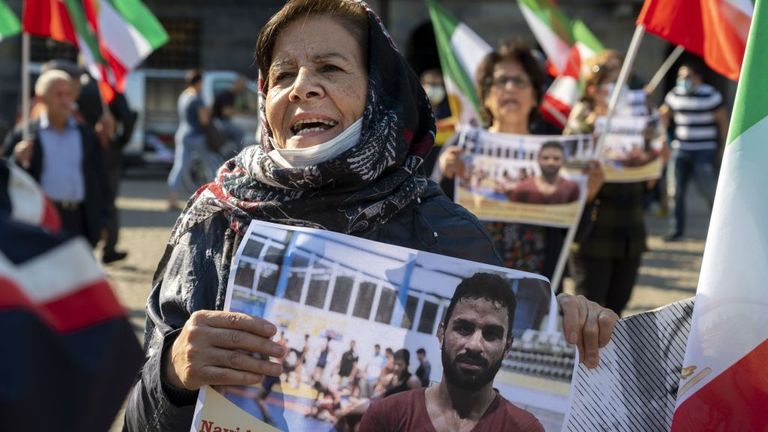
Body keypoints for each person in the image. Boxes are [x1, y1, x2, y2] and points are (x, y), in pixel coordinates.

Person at [123, 2, 618, 430]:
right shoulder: (215, 221)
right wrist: (172, 375)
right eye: (282, 75)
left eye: (330, 68)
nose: (301, 88)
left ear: (379, 92)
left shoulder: (447, 231)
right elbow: (141, 421)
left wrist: (567, 332)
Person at [438, 40, 603, 282]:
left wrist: (587, 196)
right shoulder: (462, 146)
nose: (510, 88)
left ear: (535, 96)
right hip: (469, 283)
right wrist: (445, 176)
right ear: (486, 96)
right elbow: (436, 221)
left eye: (519, 81)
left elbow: (573, 236)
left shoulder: (557, 153)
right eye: (500, 81)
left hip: (535, 285)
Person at [358, 273, 552, 431]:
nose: (475, 345)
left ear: (507, 347)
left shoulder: (525, 429)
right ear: (441, 333)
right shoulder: (386, 416)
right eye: (464, 328)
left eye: (491, 334)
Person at [564, 51, 650, 316]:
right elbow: (569, 179)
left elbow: (648, 182)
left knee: (617, 310)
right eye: (613, 82)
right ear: (594, 89)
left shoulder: (638, 122)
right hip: (594, 232)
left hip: (629, 229)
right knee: (590, 311)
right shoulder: (580, 126)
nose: (620, 89)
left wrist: (656, 154)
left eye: (624, 81)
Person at [3, 69, 110, 248]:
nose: (65, 100)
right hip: (42, 218)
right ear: (42, 98)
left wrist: (105, 220)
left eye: (68, 94)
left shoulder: (86, 135)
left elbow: (101, 180)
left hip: (80, 220)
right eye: (58, 94)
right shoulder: (26, 134)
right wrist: (17, 158)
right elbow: (6, 175)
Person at [660, 63, 727, 241]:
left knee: (709, 190)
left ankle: (719, 231)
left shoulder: (710, 94)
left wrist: (723, 145)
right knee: (675, 191)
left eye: (687, 76)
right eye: (680, 76)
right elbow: (665, 115)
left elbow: (722, 120)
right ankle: (676, 230)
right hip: (681, 148)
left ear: (698, 77)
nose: (682, 80)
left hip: (704, 149)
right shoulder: (675, 94)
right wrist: (662, 137)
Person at [166, 69, 210, 210]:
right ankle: (213, 198)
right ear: (199, 82)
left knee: (179, 167)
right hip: (196, 136)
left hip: (182, 134)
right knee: (211, 164)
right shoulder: (197, 98)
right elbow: (204, 120)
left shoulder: (184, 95)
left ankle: (172, 199)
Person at [508, 141, 581, 204]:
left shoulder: (572, 188)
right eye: (545, 158)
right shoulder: (523, 187)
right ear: (538, 160)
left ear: (563, 161)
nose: (550, 162)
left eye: (556, 158)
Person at [211, 75, 247, 154]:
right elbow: (226, 112)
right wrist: (239, 112)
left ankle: (230, 153)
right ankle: (237, 155)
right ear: (237, 84)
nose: (243, 88)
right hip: (218, 122)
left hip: (223, 121)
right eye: (242, 86)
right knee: (240, 133)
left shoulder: (233, 95)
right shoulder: (227, 95)